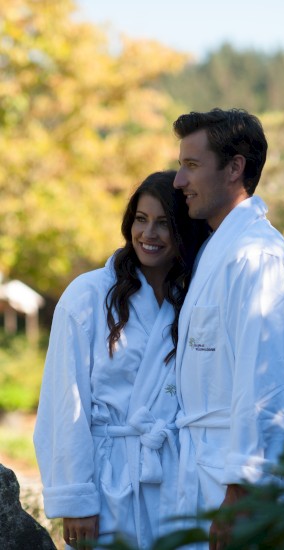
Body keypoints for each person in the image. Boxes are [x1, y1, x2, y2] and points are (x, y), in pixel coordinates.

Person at [172, 108, 284, 549]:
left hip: (237, 485)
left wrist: (243, 490)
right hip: (207, 468)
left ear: (235, 167)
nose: (179, 181)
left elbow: (267, 380)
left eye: (192, 165)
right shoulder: (221, 248)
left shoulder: (258, 256)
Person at [33, 170, 209, 550]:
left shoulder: (196, 296)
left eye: (164, 223)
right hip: (110, 476)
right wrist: (77, 499)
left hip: (178, 474)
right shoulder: (88, 295)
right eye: (141, 220)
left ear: (184, 230)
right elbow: (65, 401)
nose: (149, 234)